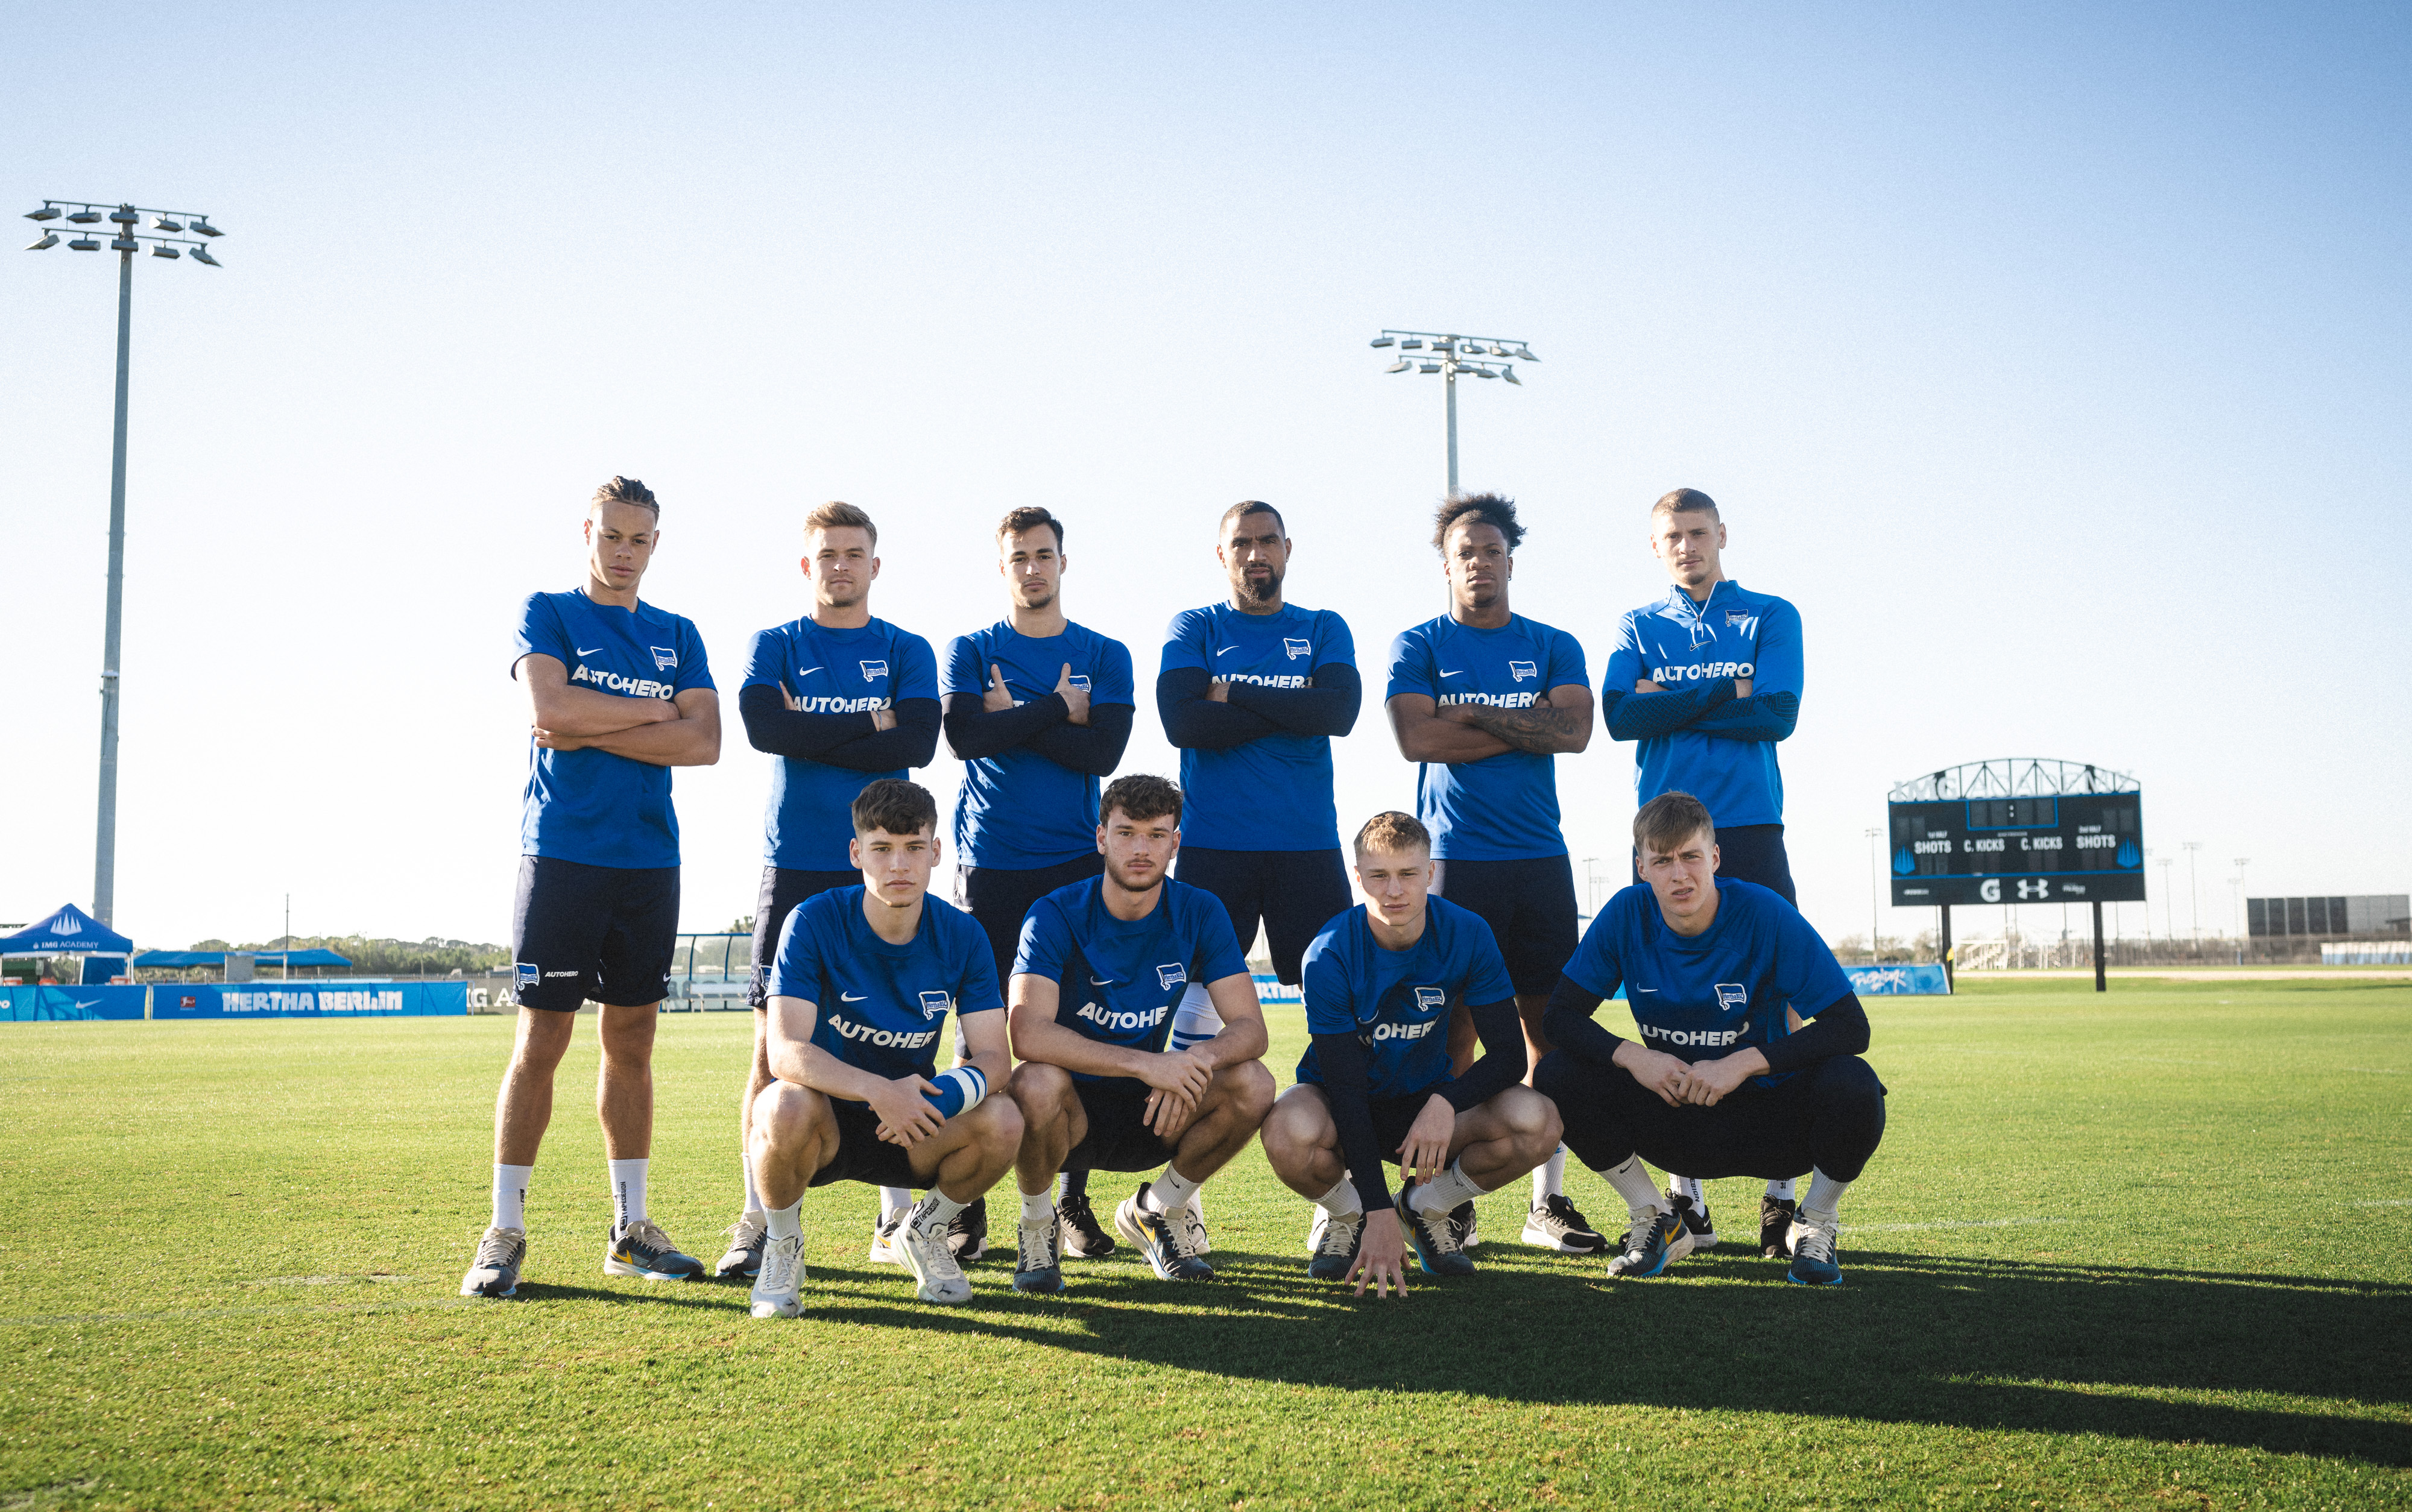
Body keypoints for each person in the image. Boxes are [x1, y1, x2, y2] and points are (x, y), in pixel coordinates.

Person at [462, 476, 721, 1300]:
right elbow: (548, 709)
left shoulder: (678, 633)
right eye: (611, 536)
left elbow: (707, 741)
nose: (624, 553)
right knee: (541, 1042)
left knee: (634, 1043)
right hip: (564, 856)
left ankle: (630, 1229)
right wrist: (652, 717)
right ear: (588, 533)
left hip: (649, 862)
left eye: (639, 540)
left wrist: (596, 712)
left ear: (655, 544)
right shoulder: (548, 612)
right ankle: (504, 1231)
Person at [717, 502, 941, 1282]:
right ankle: (758, 1221)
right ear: (805, 566)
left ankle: (895, 1217)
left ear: (874, 566)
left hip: (884, 864)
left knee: (901, 1034)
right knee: (769, 1052)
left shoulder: (906, 648)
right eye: (827, 555)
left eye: (854, 554)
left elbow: (915, 741)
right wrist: (866, 722)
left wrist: (810, 722)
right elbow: (761, 729)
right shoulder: (776, 643)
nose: (840, 566)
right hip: (799, 863)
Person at [1533, 792, 1887, 1286]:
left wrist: (1742, 1064)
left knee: (1855, 1083)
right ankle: (1656, 1216)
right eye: (1662, 861)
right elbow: (1560, 1018)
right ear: (1642, 868)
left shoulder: (1765, 913)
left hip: (1766, 1124)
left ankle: (1815, 1221)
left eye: (1690, 857)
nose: (1679, 875)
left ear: (1715, 858)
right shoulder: (1625, 915)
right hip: (1673, 1117)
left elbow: (1851, 1027)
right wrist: (1638, 1058)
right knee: (1557, 1073)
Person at [1383, 492, 1605, 1256]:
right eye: (1464, 553)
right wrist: (1522, 726)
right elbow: (1416, 738)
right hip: (1455, 863)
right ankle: (1433, 1196)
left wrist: (1471, 716)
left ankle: (1546, 1203)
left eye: (1490, 550)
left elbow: (1574, 730)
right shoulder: (1417, 643)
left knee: (1550, 1039)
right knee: (1452, 1034)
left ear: (1511, 559)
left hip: (1539, 861)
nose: (1478, 562)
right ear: (1446, 565)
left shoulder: (1552, 642)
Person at [1602, 487, 1808, 1259]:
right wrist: (1730, 687)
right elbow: (1623, 717)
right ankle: (1685, 1197)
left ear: (1722, 533)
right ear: (1654, 547)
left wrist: (1674, 696)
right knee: (1669, 998)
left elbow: (1778, 714)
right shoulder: (1636, 624)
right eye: (1671, 536)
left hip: (1749, 825)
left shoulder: (1770, 615)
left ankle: (1782, 1197)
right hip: (1662, 837)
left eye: (1697, 532)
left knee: (1777, 996)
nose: (1686, 545)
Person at [1156, 500, 1357, 1256]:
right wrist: (1289, 706)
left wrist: (1231, 693)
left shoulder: (1322, 627)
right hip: (1215, 850)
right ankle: (1180, 1204)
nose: (1254, 554)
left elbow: (1337, 711)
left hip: (1307, 849)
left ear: (1287, 549)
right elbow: (1183, 724)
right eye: (1240, 543)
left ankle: (1334, 1198)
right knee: (1195, 1022)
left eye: (1266, 541)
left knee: (1338, 1011)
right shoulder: (1194, 629)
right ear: (1221, 556)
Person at [747, 780, 1024, 1315]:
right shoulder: (812, 920)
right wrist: (879, 1091)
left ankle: (923, 1232)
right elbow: (784, 1051)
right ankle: (783, 1245)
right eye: (882, 849)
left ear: (936, 852)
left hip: (911, 1126)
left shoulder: (963, 934)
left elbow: (995, 1058)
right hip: (825, 1120)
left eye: (914, 848)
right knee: (780, 1102)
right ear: (857, 853)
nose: (899, 864)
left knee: (1004, 1119)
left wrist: (933, 1100)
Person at [941, 506, 1134, 1263]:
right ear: (1002, 568)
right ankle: (968, 1207)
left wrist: (1013, 718)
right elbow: (964, 738)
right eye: (1017, 557)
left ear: (1063, 562)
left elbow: (1104, 753)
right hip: (989, 863)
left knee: (1075, 1038)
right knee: (980, 1036)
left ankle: (1071, 1205)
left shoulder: (1105, 651)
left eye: (1043, 555)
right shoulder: (970, 647)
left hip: (1073, 870)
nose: (1031, 568)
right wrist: (1057, 710)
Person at [1260, 811, 1562, 1294]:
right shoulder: (1328, 952)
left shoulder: (1468, 932)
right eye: (1378, 875)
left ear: (1430, 874)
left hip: (1424, 1105)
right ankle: (1349, 1213)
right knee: (1286, 1130)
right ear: (1357, 878)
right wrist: (1374, 1212)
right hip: (1340, 1108)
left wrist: (1446, 1102)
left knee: (1537, 1119)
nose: (1393, 891)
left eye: (1407, 874)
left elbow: (1508, 1053)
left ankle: (1426, 1205)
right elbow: (1345, 1087)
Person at [1003, 775, 1275, 1292]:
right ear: (1102, 837)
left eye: (1156, 835)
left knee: (1254, 1082)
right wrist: (1149, 1064)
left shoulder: (1199, 909)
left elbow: (1251, 1029)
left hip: (1152, 1108)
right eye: (1127, 833)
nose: (1141, 849)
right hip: (1068, 1114)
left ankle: (1156, 1209)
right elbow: (1027, 1034)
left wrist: (1194, 1065)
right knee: (1035, 1081)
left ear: (1176, 842)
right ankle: (1039, 1226)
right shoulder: (1055, 912)